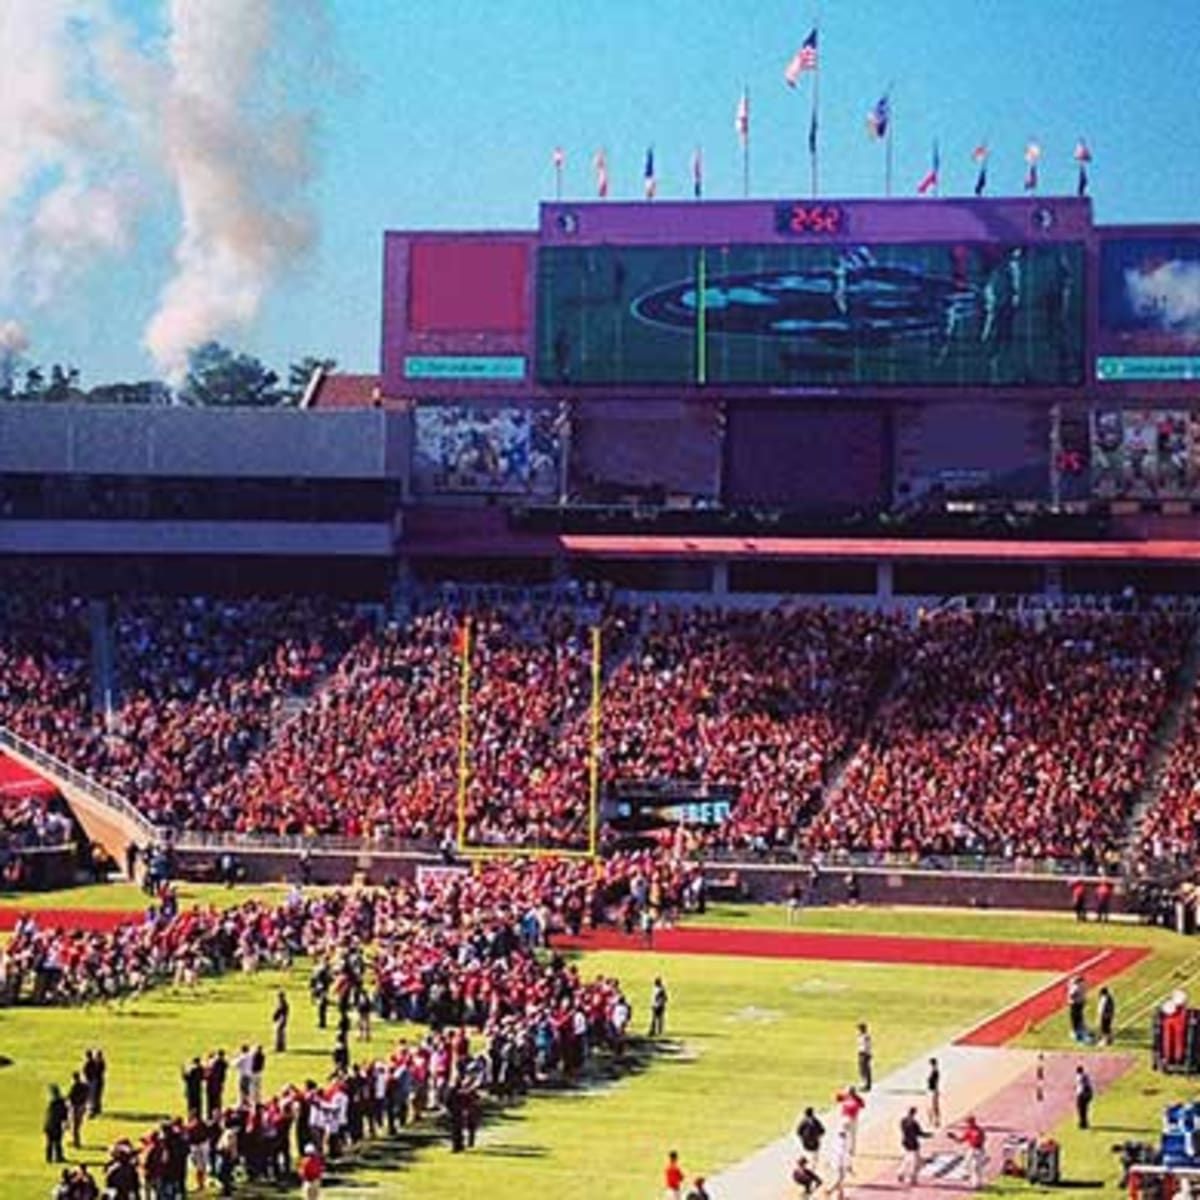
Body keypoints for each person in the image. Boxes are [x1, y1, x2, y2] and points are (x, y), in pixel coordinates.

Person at [898, 1106, 933, 1186]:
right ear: (914, 1113)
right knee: (915, 1163)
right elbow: (919, 1133)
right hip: (913, 1144)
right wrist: (929, 1135)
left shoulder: (903, 1121)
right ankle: (912, 1178)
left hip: (905, 1142)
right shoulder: (914, 1123)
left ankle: (901, 1173)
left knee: (907, 1158)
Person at [951, 1115, 987, 1189]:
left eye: (969, 1122)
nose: (968, 1124)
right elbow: (960, 1140)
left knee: (976, 1167)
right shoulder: (968, 1131)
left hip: (978, 1150)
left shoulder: (979, 1130)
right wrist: (953, 1137)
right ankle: (968, 1176)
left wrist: (977, 1143)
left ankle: (977, 1184)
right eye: (967, 1122)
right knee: (967, 1163)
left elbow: (982, 1140)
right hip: (971, 1149)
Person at [836, 1085, 865, 1159]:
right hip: (852, 1119)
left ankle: (843, 1149)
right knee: (852, 1135)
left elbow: (837, 1098)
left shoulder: (847, 1097)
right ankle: (851, 1150)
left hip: (846, 1118)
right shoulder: (856, 1098)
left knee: (843, 1134)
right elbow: (862, 1105)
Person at [44, 1084, 68, 1163]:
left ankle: (49, 1158)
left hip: (49, 1124)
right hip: (56, 1125)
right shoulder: (60, 1104)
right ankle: (58, 1157)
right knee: (57, 1142)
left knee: (50, 1142)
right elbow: (64, 1115)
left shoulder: (51, 1103)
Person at [67, 1070, 90, 1148]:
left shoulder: (75, 1086)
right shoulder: (84, 1086)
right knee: (78, 1125)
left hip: (75, 1107)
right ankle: (76, 1141)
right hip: (82, 1106)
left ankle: (76, 1142)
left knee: (74, 1126)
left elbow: (69, 1097)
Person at [1067, 975, 1087, 1042]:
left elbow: (1072, 995)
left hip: (1075, 1004)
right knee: (1080, 1016)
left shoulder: (1076, 987)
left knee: (1074, 1018)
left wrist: (1070, 987)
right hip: (1081, 1003)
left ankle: (1076, 1032)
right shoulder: (1084, 985)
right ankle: (1081, 1029)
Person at [1075, 1065, 1094, 1130]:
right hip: (1085, 1095)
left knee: (1081, 1110)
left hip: (1082, 1095)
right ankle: (1084, 1123)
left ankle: (1083, 1123)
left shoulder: (1081, 1077)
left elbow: (1084, 1086)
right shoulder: (1085, 1076)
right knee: (1083, 1110)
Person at [856, 1022, 873, 1091]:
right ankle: (864, 1083)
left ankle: (866, 1084)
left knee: (865, 1070)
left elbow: (867, 1046)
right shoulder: (860, 1036)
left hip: (864, 1053)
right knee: (862, 1070)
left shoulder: (865, 1036)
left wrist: (866, 1054)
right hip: (862, 1053)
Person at [926, 1057, 942, 1127]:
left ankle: (935, 1121)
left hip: (933, 1091)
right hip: (931, 1090)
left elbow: (935, 1082)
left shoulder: (935, 1072)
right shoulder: (934, 1071)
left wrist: (936, 1091)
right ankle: (934, 1121)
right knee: (932, 1107)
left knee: (933, 1107)